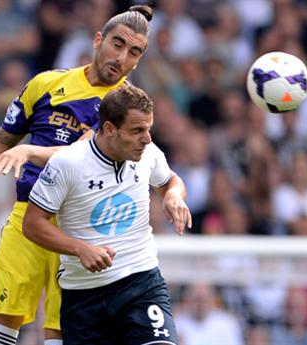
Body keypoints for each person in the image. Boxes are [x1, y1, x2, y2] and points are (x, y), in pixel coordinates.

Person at [0, 4, 154, 344]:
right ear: (98, 39)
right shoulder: (46, 84)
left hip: (79, 228)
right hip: (28, 217)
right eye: (117, 44)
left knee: (60, 333)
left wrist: (29, 151)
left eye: (134, 53)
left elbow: (83, 155)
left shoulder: (125, 107)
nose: (122, 57)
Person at [23, 85, 192, 344]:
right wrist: (80, 249)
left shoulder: (148, 153)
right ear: (110, 128)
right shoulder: (68, 163)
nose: (147, 139)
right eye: (137, 131)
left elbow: (170, 181)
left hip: (141, 284)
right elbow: (33, 224)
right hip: (83, 298)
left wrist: (173, 195)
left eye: (148, 129)